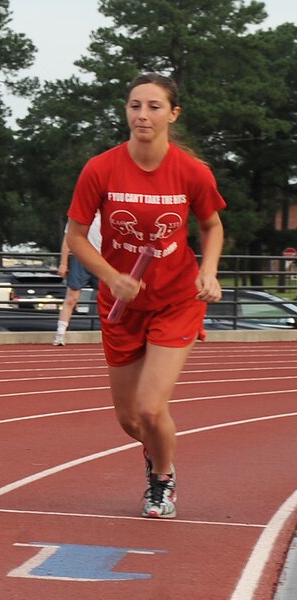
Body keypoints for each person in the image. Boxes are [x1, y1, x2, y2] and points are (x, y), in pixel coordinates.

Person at [65, 72, 225, 519]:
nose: (143, 115)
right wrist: (111, 276)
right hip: (121, 305)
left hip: (177, 300)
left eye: (154, 106)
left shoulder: (192, 173)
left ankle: (163, 477)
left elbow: (211, 225)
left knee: (152, 408)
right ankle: (156, 452)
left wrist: (208, 272)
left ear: (173, 114)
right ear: (126, 111)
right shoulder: (100, 168)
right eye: (135, 105)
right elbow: (77, 237)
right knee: (130, 420)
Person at [54, 213, 102, 346]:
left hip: (102, 260)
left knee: (108, 299)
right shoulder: (80, 215)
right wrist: (63, 263)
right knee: (72, 297)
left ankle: (113, 334)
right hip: (80, 259)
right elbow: (68, 239)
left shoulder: (110, 213)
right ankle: (60, 333)